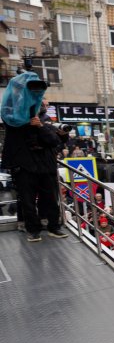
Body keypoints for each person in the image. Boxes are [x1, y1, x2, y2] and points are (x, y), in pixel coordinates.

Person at [0, 78, 68, 242]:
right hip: (25, 168)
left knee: (51, 199)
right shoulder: (14, 123)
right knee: (27, 201)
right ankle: (33, 230)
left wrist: (40, 126)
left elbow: (54, 141)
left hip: (46, 167)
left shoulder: (45, 122)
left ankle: (54, 227)